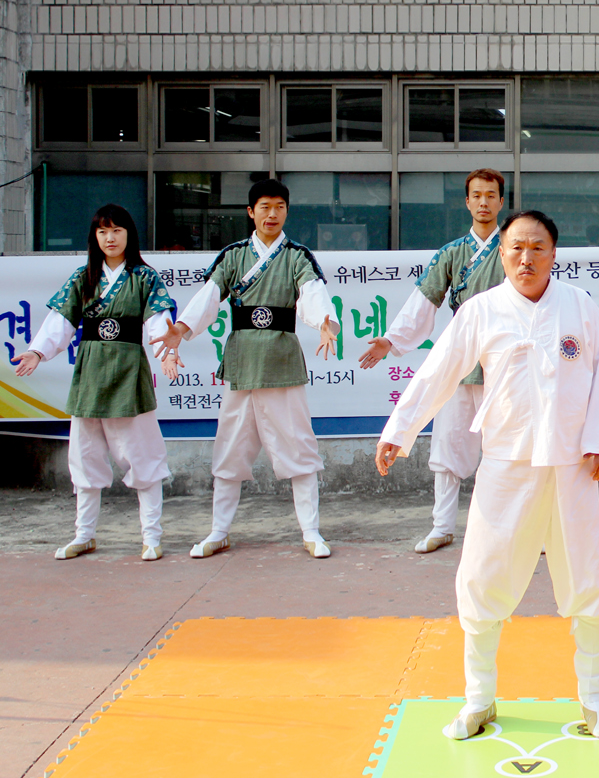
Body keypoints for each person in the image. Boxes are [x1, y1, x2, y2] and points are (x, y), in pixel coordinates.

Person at [375, 210, 599, 741]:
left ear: (554, 254)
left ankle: (595, 700)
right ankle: (478, 699)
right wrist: (400, 429)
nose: (526, 258)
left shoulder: (580, 307)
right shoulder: (481, 310)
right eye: (516, 248)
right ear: (502, 254)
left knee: (588, 578)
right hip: (505, 464)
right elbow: (438, 370)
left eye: (537, 247)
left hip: (572, 465)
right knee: (482, 576)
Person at [152, 178, 339, 559]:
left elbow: (313, 293)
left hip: (282, 362)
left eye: (280, 207)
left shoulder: (297, 256)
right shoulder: (233, 255)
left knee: (300, 449)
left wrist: (325, 322)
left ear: (287, 211)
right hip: (241, 363)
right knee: (230, 451)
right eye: (265, 207)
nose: (272, 214)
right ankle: (218, 531)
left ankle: (312, 532)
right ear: (251, 212)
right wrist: (181, 329)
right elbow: (208, 297)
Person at [14, 205, 177, 561]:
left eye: (117, 230)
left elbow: (157, 322)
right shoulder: (83, 277)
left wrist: (167, 353)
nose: (110, 238)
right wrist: (37, 352)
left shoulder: (145, 278)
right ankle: (84, 535)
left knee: (142, 456)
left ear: (129, 235)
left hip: (128, 372)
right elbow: (59, 322)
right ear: (95, 238)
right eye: (103, 232)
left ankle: (151, 537)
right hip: (90, 373)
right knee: (85, 458)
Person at [359, 168, 506, 553]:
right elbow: (423, 302)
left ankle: (515, 529)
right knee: (448, 445)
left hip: (505, 359)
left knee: (509, 446)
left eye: (491, 195)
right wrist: (390, 340)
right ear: (467, 201)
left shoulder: (514, 246)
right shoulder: (451, 253)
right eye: (477, 195)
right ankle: (442, 526)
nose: (484, 202)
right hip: (460, 358)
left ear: (501, 202)